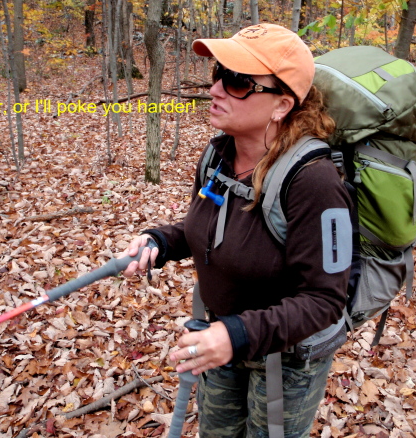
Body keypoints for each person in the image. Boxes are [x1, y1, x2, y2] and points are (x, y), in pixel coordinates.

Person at [122, 23, 353, 437]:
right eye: (217, 74)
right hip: (220, 337)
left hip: (286, 358)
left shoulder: (313, 182)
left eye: (238, 81)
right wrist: (162, 240)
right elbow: (211, 227)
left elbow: (324, 300)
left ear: (282, 105)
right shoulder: (218, 154)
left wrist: (236, 334)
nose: (215, 89)